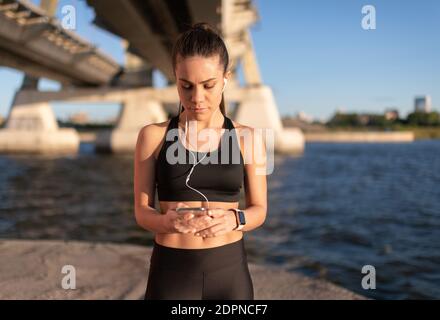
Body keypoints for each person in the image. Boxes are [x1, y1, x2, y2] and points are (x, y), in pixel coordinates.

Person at [134, 22, 267, 300]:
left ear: (226, 78)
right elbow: (142, 212)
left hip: (230, 275)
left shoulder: (248, 138)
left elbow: (259, 210)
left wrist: (235, 218)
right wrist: (166, 223)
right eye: (186, 86)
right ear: (176, 79)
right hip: (171, 274)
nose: (197, 98)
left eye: (209, 85)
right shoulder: (153, 137)